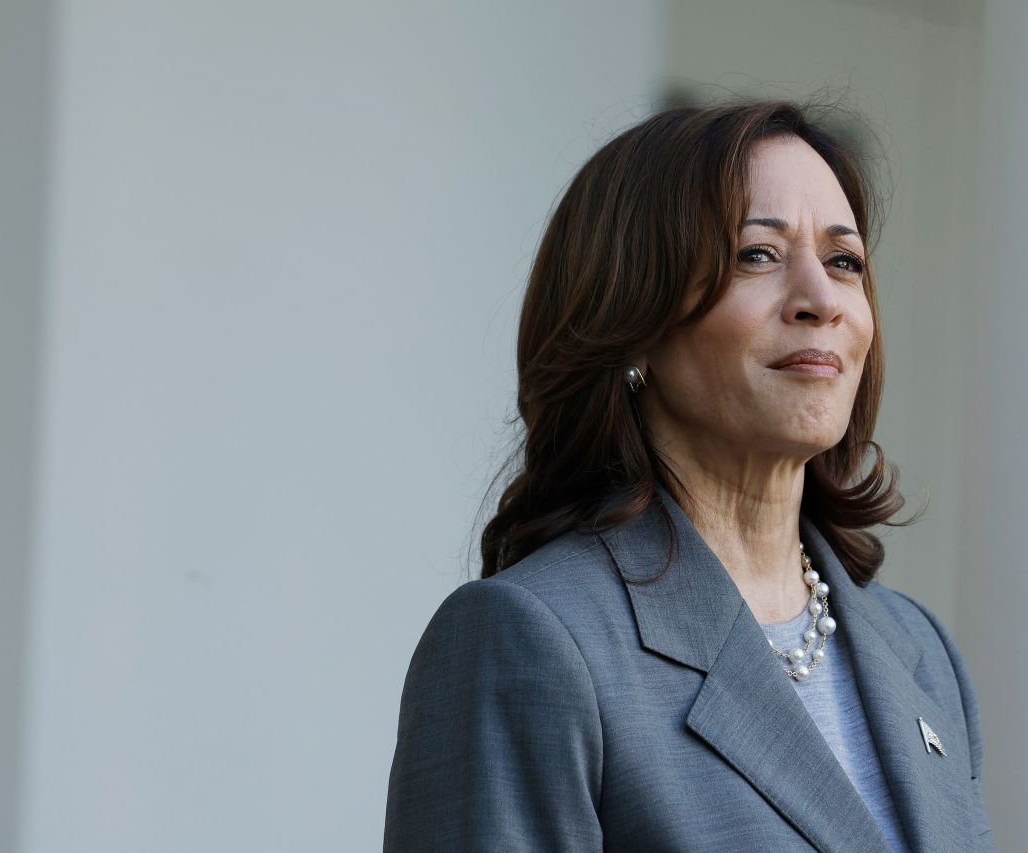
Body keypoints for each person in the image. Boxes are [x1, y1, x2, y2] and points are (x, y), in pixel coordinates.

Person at [384, 98, 994, 852]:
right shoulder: (533, 639)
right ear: (632, 316)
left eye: (844, 261)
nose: (821, 300)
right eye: (757, 255)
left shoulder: (920, 650)